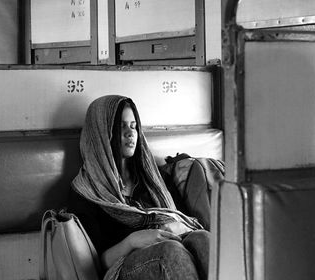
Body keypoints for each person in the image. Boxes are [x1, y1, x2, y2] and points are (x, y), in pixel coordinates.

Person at [70, 95, 210, 280]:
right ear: (102, 133)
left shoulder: (154, 180)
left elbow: (183, 219)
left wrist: (176, 226)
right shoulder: (86, 191)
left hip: (172, 250)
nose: (130, 133)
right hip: (121, 268)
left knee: (203, 239)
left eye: (134, 126)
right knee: (170, 251)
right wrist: (133, 241)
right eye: (121, 126)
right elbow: (94, 262)